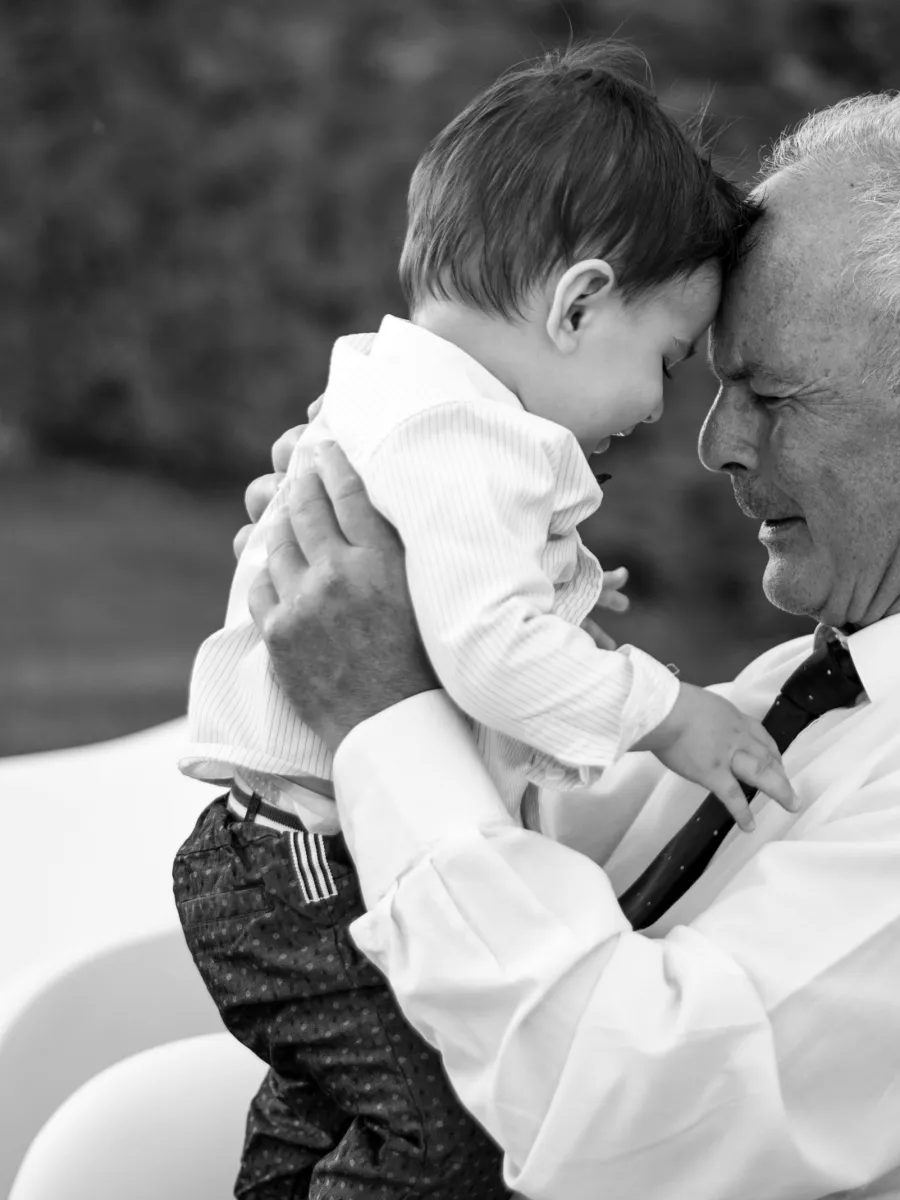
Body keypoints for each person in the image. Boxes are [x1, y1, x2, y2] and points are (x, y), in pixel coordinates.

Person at [241, 93, 900, 1200]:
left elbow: (626, 1120)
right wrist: (376, 579)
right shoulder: (806, 689)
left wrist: (382, 708)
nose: (714, 444)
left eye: (772, 393)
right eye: (710, 377)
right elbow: (543, 848)